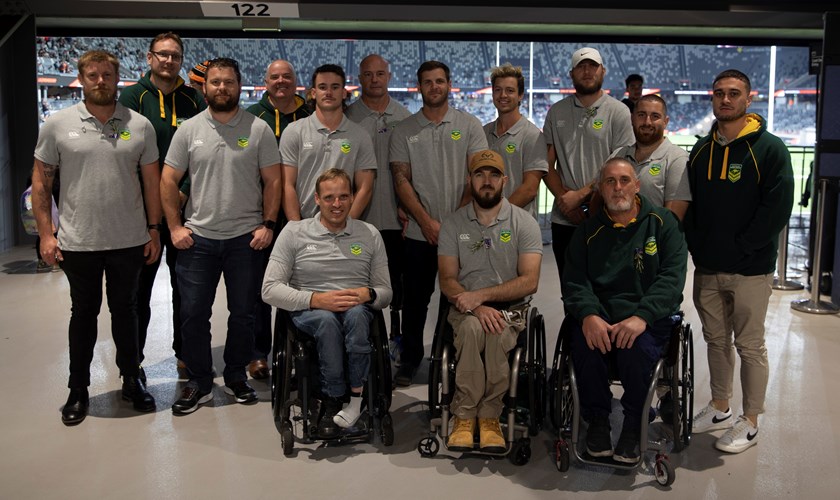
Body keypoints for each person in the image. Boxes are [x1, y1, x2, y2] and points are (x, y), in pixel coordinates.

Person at [32, 50, 161, 425]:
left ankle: (132, 380)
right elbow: (42, 182)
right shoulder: (57, 125)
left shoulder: (139, 125)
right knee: (83, 315)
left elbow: (151, 182)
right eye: (93, 75)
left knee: (127, 314)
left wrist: (153, 229)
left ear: (117, 78)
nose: (101, 80)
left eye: (107, 74)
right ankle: (78, 389)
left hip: (128, 240)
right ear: (81, 78)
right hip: (78, 242)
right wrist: (46, 234)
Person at [160, 58, 283, 415]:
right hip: (198, 239)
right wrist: (174, 227)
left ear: (239, 86)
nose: (221, 88)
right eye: (215, 82)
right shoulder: (189, 130)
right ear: (205, 87)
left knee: (243, 313)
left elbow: (273, 180)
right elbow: (168, 180)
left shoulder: (258, 129)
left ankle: (235, 375)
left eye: (228, 82)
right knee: (193, 313)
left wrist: (269, 224)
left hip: (245, 239)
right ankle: (198, 380)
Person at [685, 69, 794, 454]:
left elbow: (777, 207)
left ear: (749, 100)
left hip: (751, 268)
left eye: (734, 94)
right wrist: (699, 247)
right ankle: (719, 407)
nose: (725, 100)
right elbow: (691, 206)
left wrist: (745, 247)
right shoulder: (700, 150)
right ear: (712, 99)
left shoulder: (770, 148)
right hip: (709, 267)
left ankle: (750, 421)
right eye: (719, 93)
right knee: (715, 340)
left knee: (749, 346)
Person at [562, 158, 687, 463]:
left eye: (624, 180)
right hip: (601, 316)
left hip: (649, 318)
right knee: (585, 345)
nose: (618, 188)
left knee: (637, 351)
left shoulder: (663, 224)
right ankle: (598, 420)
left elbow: (672, 278)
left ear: (637, 186)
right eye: (610, 182)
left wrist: (642, 316)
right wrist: (590, 315)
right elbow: (575, 280)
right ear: (601, 189)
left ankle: (634, 421)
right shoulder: (588, 231)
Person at [262, 169, 392, 438]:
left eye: (344, 196)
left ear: (352, 198)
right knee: (327, 320)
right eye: (330, 197)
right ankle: (334, 398)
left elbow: (385, 292)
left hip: (356, 308)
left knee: (356, 316)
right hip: (312, 311)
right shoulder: (294, 233)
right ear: (317, 199)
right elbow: (269, 290)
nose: (337, 204)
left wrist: (369, 294)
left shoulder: (369, 234)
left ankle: (355, 397)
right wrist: (315, 300)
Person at [390, 60, 489, 386]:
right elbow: (401, 180)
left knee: (456, 301)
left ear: (449, 85)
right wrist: (428, 222)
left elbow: (477, 177)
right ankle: (410, 360)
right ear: (419, 87)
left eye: (439, 81)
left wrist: (450, 224)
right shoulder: (405, 130)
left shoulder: (470, 125)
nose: (434, 87)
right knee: (415, 302)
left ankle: (444, 359)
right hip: (419, 234)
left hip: (459, 235)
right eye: (428, 82)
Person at [438, 150, 542, 452]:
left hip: (510, 309)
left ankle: (490, 416)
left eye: (494, 175)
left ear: (504, 180)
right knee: (472, 329)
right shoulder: (454, 224)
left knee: (495, 331)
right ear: (469, 180)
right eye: (480, 174)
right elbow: (447, 279)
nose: (487, 181)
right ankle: (465, 415)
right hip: (465, 307)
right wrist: (475, 306)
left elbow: (529, 280)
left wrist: (482, 297)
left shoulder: (524, 223)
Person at [118, 32, 207, 374]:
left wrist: (182, 188)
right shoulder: (131, 97)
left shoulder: (193, 100)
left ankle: (185, 353)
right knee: (138, 291)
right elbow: (123, 153)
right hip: (142, 214)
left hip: (187, 208)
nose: (169, 61)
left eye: (175, 55)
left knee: (186, 289)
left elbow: (202, 151)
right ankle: (133, 362)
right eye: (163, 54)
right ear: (149, 57)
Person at [543, 47, 634, 283]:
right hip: (565, 218)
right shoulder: (556, 112)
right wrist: (567, 202)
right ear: (571, 74)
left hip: (607, 213)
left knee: (606, 286)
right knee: (570, 289)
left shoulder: (618, 111)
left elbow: (621, 164)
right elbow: (546, 164)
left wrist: (583, 194)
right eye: (581, 67)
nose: (587, 71)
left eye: (593, 66)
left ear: (603, 71)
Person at [245, 59, 312, 380]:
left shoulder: (311, 115)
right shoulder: (250, 118)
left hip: (305, 215)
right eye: (275, 77)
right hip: (264, 217)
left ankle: (299, 349)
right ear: (265, 81)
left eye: (287, 76)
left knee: (300, 286)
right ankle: (258, 353)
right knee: (263, 286)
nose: (281, 81)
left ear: (296, 80)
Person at [346, 54, 411, 357]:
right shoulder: (347, 117)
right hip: (361, 219)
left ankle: (398, 336)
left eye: (380, 74)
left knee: (398, 283)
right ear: (360, 78)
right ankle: (365, 340)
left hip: (398, 219)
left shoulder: (406, 117)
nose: (374, 79)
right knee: (361, 283)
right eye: (368, 74)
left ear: (389, 76)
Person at [281, 64, 377, 222]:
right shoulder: (294, 131)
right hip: (304, 223)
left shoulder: (360, 136)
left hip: (344, 226)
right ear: (313, 93)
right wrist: (297, 228)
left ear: (344, 93)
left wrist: (346, 226)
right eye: (322, 87)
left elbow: (365, 189)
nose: (329, 92)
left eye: (335, 87)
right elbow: (287, 185)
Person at [609, 94, 690, 220]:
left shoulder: (677, 159)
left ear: (665, 122)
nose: (647, 122)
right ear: (632, 118)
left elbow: (672, 220)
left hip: (652, 238)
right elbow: (598, 202)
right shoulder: (618, 155)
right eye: (641, 115)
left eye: (655, 116)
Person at [483, 63, 548, 219]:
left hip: (518, 225)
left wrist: (496, 215)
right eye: (498, 90)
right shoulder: (483, 132)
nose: (503, 95)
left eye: (510, 90)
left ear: (520, 96)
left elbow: (529, 189)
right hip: (485, 224)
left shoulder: (532, 135)